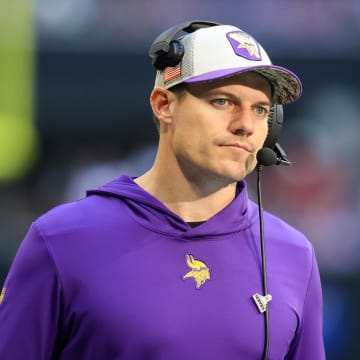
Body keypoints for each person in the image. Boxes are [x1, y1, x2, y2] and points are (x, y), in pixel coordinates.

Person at [0, 21, 325, 359]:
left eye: (260, 109)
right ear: (163, 105)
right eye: (223, 102)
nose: (245, 124)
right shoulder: (62, 239)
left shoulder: (293, 255)